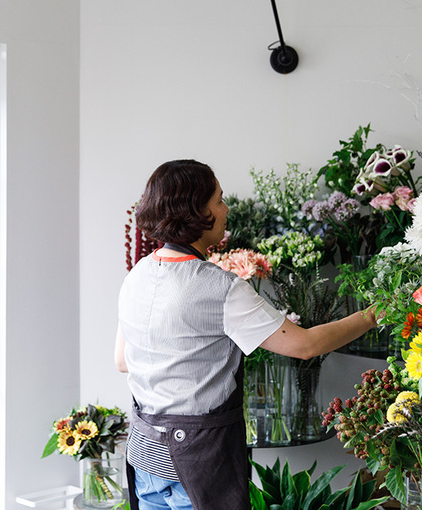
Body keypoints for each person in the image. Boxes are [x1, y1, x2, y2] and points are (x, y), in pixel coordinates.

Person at [114, 159, 381, 510]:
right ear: (196, 211)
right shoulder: (218, 287)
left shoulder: (137, 275)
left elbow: (122, 362)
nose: (226, 210)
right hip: (197, 464)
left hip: (145, 456)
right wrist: (372, 315)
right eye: (219, 200)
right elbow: (304, 346)